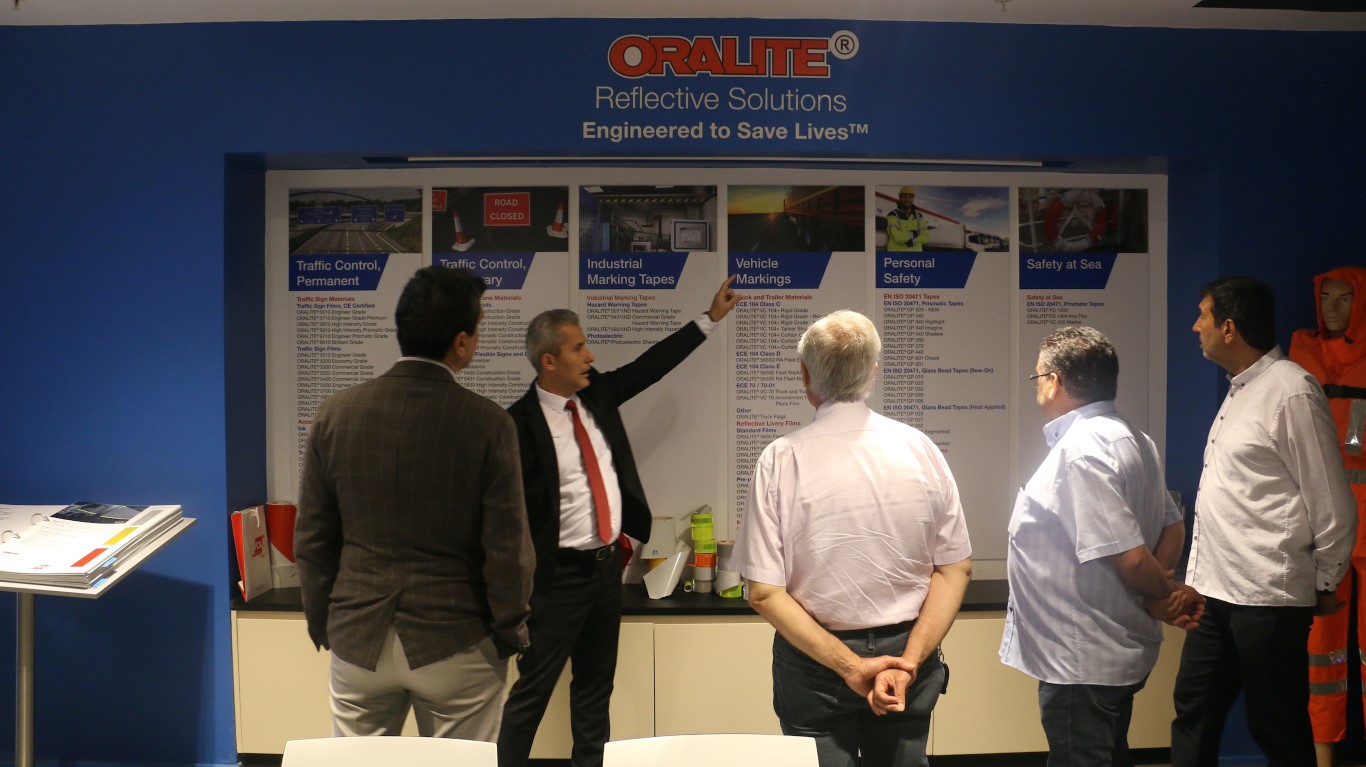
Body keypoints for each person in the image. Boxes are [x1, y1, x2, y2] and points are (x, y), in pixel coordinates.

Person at [498, 276, 742, 767]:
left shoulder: (597, 395)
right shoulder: (516, 425)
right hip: (557, 580)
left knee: (594, 691)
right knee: (532, 694)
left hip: (606, 572)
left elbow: (650, 365)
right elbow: (504, 517)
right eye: (578, 348)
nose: (589, 356)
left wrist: (709, 318)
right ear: (549, 361)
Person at [294, 266, 534, 740]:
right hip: (456, 639)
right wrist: (511, 631)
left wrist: (324, 622)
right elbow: (507, 549)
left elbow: (313, 539)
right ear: (461, 342)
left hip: (357, 636)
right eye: (478, 329)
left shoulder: (335, 414)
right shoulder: (487, 423)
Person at [731, 310, 972, 767]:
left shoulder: (780, 460)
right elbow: (955, 568)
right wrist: (909, 662)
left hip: (814, 664)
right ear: (873, 370)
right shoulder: (921, 449)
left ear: (805, 375)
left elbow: (763, 592)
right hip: (907, 655)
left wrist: (852, 667)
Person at [1173, 276, 1357, 767]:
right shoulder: (1242, 390)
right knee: (1193, 711)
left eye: (1203, 316)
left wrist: (1324, 582)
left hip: (1268, 600)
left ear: (1229, 328)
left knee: (1276, 727)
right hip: (1215, 594)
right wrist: (1195, 579)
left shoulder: (1291, 392)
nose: (1195, 326)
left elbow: (1333, 505)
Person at [1001, 325, 1204, 767]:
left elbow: (1131, 558)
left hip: (1084, 659)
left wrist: (1163, 595)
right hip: (1103, 648)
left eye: (1037, 377)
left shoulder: (1083, 450)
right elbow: (1173, 526)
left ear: (1053, 380)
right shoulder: (1132, 437)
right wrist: (1158, 595)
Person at [1289, 267, 1366, 767]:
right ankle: (1323, 755)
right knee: (1323, 650)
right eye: (1326, 298)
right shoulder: (1302, 356)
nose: (1333, 308)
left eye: (1345, 299)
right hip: (1323, 529)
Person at [886, 186, 929, 252]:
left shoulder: (919, 216)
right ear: (900, 198)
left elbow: (926, 236)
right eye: (905, 197)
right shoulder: (893, 215)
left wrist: (913, 242)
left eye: (910, 197)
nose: (908, 200)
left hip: (915, 256)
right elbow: (897, 237)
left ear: (913, 199)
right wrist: (916, 232)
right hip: (896, 256)